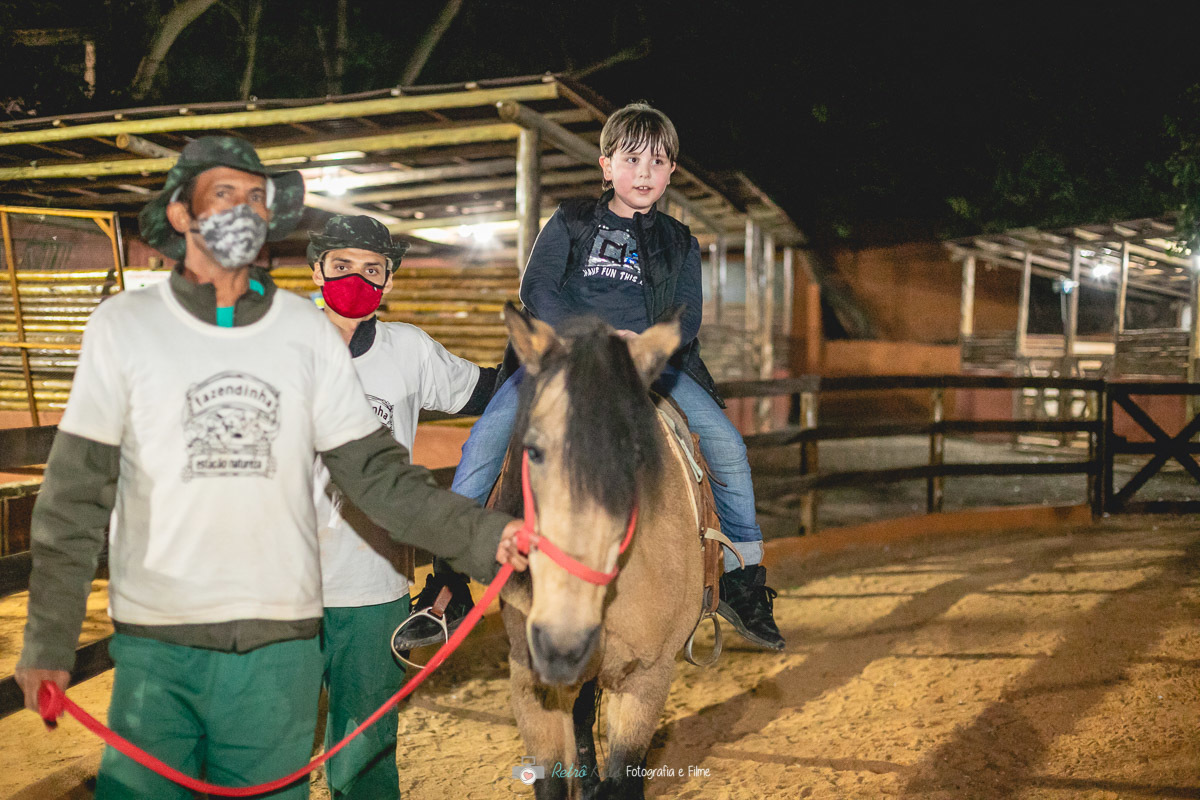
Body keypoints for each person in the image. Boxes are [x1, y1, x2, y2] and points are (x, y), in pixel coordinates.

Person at [13, 136, 525, 800]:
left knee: (348, 751)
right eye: (221, 197)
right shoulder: (163, 331)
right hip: (220, 609)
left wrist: (483, 536)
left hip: (339, 597)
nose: (240, 214)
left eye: (254, 200)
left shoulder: (345, 344)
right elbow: (81, 492)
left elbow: (377, 472)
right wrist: (52, 636)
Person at [395, 102, 784, 653]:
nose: (644, 173)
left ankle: (744, 579)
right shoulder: (572, 219)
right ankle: (448, 585)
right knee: (485, 440)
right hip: (563, 360)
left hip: (648, 368)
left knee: (725, 443)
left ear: (671, 171)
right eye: (631, 160)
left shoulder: (679, 241)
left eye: (658, 161)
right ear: (606, 166)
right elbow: (539, 287)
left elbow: (687, 314)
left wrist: (643, 345)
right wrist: (583, 338)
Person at [307, 214, 499, 800]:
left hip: (372, 585)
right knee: (264, 742)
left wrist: (555, 353)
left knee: (364, 748)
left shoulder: (409, 350)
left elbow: (490, 390)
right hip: (279, 584)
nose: (356, 279)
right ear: (316, 270)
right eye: (341, 266)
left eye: (372, 269)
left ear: (389, 281)